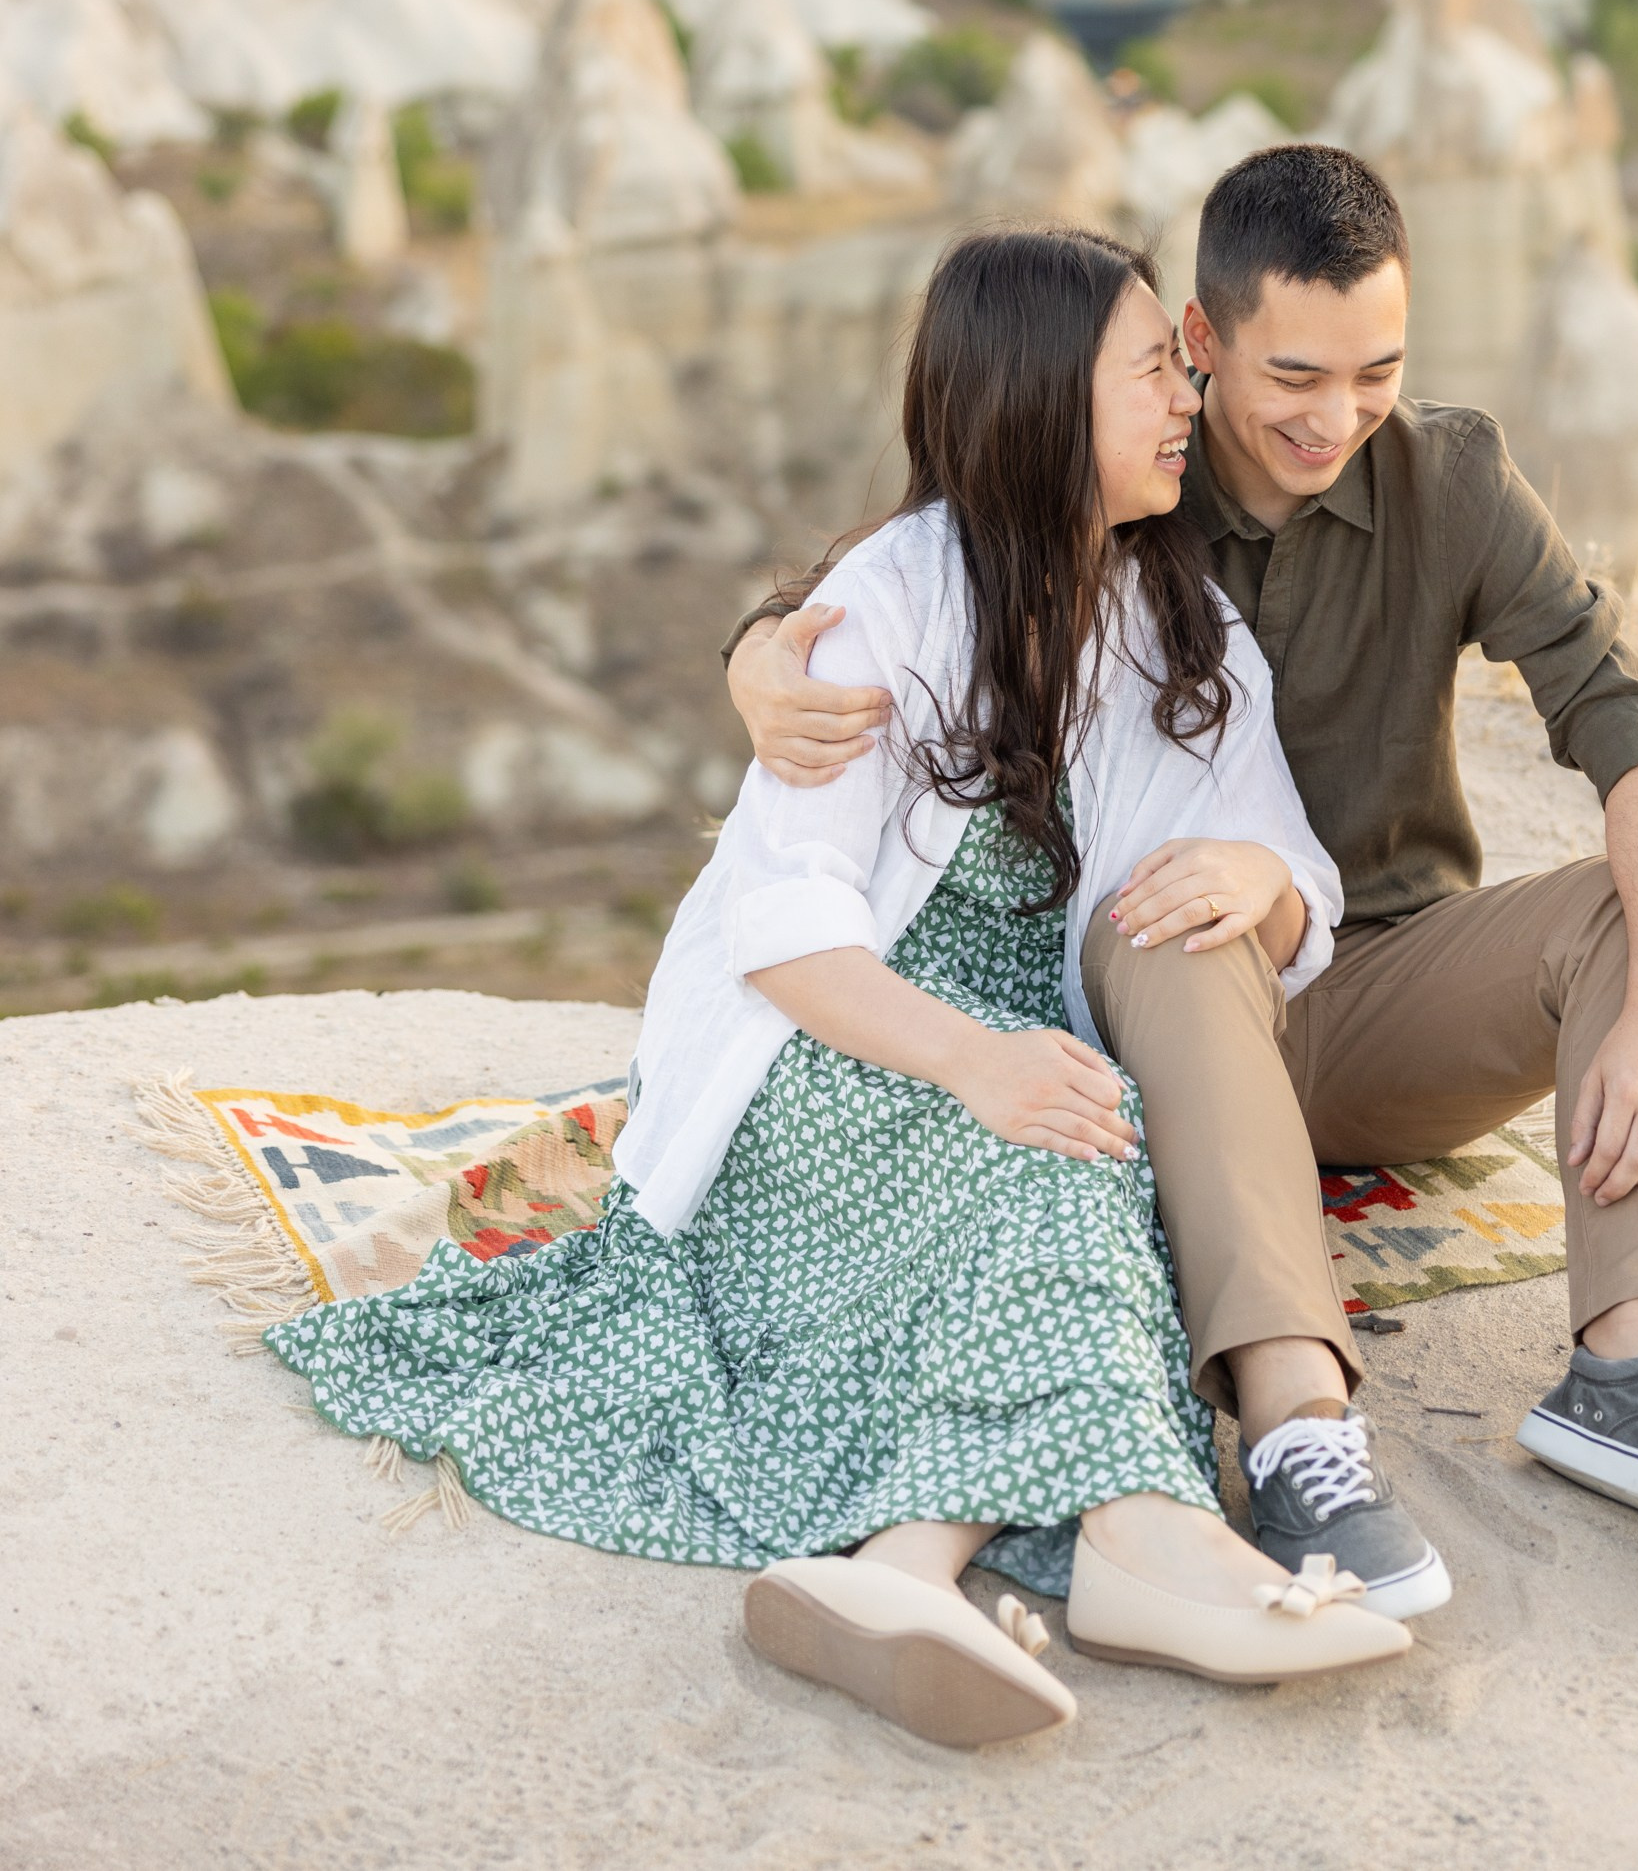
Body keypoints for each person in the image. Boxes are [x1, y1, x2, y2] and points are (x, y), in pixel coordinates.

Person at [266, 223, 1414, 1751]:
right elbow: (788, 935)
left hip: (1002, 1039)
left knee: (1086, 1140)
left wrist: (1265, 884)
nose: (1186, 396)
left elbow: (1281, 852)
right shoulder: (889, 604)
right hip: (834, 1038)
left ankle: (902, 1571)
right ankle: (1141, 1544)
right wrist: (971, 1065)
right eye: (1152, 367)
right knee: (1054, 1155)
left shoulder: (1161, 614)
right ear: (1034, 399)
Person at [728, 144, 1638, 1584]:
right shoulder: (1126, 471)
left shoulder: (1453, 478)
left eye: (1374, 371)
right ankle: (1298, 1433)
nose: (1339, 416)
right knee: (1169, 908)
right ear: (1197, 344)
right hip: (1157, 998)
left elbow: (1635, 734)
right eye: (1294, 377)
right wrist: (756, 653)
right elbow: (921, 568)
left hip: (1375, 990)